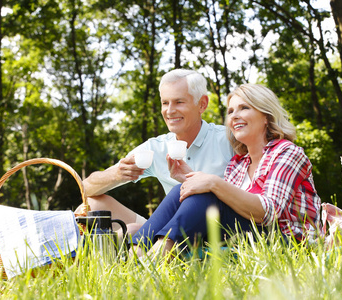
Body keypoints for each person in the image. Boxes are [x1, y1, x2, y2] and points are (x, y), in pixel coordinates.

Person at [130, 83, 321, 257]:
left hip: (290, 243)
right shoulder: (239, 163)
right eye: (230, 111)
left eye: (244, 108)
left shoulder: (286, 152)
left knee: (208, 194)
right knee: (180, 191)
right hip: (248, 236)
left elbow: (267, 214)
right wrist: (189, 178)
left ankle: (159, 256)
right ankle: (136, 253)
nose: (234, 116)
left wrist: (213, 183)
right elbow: (226, 206)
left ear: (266, 116)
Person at [79, 69, 233, 234]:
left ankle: (138, 248)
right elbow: (85, 188)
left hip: (218, 228)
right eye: (165, 103)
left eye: (179, 102)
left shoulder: (228, 140)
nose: (170, 111)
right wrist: (117, 174)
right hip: (169, 228)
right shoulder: (156, 147)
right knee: (93, 204)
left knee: (132, 231)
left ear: (202, 104)